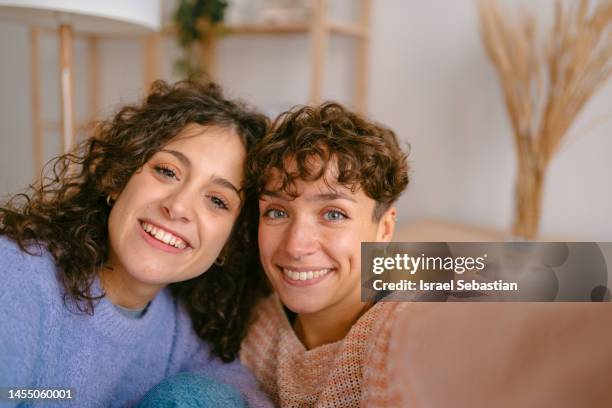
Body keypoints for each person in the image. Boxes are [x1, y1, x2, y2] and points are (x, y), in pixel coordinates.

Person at [0, 80, 271, 407]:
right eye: (168, 171)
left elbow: (245, 394)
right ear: (118, 178)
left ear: (229, 245)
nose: (179, 206)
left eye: (217, 200)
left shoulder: (181, 333)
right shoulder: (17, 272)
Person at [239, 102, 410, 407]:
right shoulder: (257, 325)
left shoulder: (403, 334)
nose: (295, 246)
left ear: (384, 229)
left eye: (333, 215)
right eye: (277, 212)